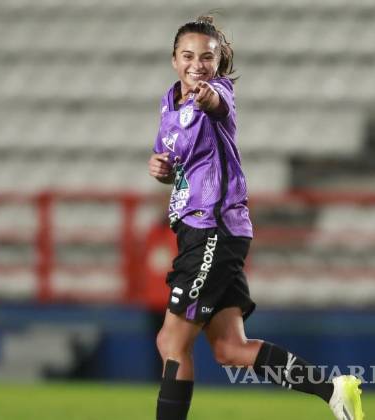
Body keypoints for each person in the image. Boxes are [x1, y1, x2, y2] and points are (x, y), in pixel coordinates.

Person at [147, 15, 364, 420]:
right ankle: (334, 390)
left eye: (207, 57)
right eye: (188, 56)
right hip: (199, 231)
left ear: (218, 62)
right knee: (230, 349)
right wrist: (161, 168)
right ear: (174, 59)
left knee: (171, 343)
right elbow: (176, 163)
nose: (197, 65)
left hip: (212, 229)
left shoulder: (219, 93)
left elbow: (214, 103)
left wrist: (207, 96)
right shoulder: (168, 104)